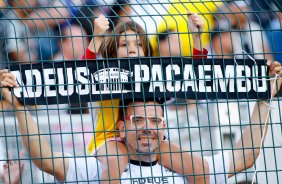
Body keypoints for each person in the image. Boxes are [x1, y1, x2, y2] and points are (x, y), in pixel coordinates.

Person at [0, 60, 281, 183]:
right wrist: (19, 107)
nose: (147, 126)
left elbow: (246, 155)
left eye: (155, 121)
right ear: (121, 128)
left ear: (164, 128)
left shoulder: (186, 169)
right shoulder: (101, 168)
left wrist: (265, 98)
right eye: (138, 120)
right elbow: (45, 159)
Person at [84, 13, 207, 183]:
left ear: (146, 52)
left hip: (149, 139)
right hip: (109, 139)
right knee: (115, 160)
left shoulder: (155, 78)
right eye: (124, 44)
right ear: (113, 52)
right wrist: (96, 38)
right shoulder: (104, 75)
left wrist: (197, 37)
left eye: (139, 45)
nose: (132, 49)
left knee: (198, 166)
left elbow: (193, 77)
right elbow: (80, 75)